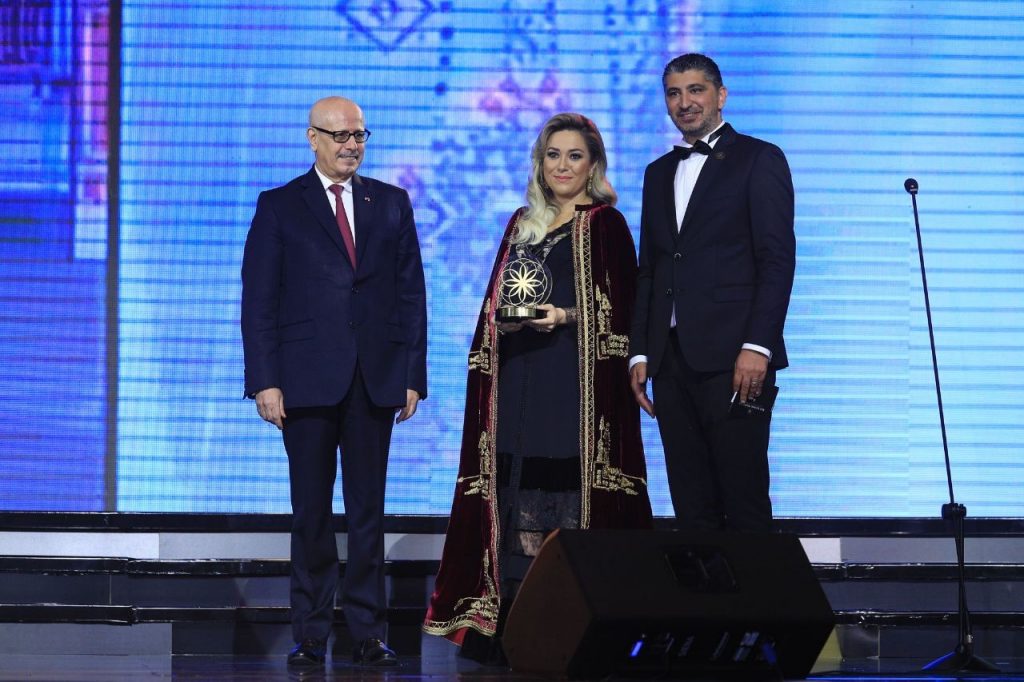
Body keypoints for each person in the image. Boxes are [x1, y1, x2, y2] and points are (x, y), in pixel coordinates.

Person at [423, 113, 653, 657]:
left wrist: (565, 316)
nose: (562, 166)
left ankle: (564, 632)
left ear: (593, 164)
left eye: (574, 156)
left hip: (574, 389)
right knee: (513, 494)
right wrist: (503, 322)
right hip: (518, 379)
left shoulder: (607, 225)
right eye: (553, 155)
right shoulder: (521, 223)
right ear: (539, 162)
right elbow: (496, 300)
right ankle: (508, 630)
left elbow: (622, 311)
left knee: (566, 497)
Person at [241, 96, 427, 668]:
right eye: (340, 135)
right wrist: (265, 380)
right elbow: (259, 300)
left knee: (368, 512)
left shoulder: (390, 202)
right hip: (304, 381)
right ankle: (311, 632)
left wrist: (412, 375)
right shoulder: (279, 206)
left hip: (374, 379)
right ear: (313, 138)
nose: (351, 145)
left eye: (359, 135)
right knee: (311, 513)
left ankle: (368, 632)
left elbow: (411, 295)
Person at [629, 53, 795, 533]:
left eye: (696, 90)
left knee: (743, 501)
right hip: (670, 361)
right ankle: (704, 589)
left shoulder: (759, 158)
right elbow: (650, 269)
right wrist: (640, 351)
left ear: (721, 95)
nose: (685, 102)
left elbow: (776, 260)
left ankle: (758, 589)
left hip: (735, 358)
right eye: (674, 93)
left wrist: (758, 346)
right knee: (691, 504)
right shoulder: (658, 172)